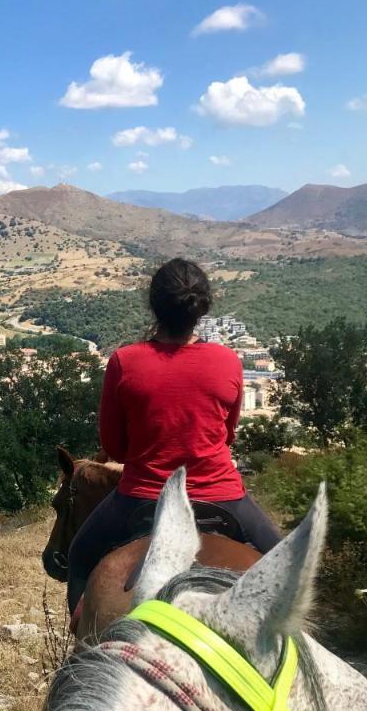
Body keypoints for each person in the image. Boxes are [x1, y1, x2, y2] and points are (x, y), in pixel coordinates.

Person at [66, 258, 281, 609]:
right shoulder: (228, 360)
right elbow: (227, 435)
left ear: (154, 305)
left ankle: (80, 643)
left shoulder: (124, 360)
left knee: (77, 558)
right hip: (222, 495)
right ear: (202, 308)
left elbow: (114, 447)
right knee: (282, 562)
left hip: (143, 496)